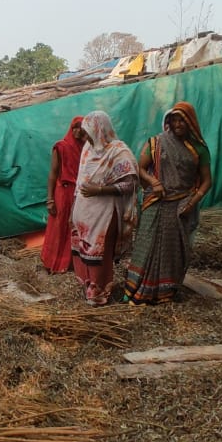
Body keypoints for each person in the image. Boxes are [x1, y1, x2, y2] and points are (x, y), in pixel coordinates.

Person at [123, 101, 214, 305]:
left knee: (174, 252)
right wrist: (154, 182)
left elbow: (207, 180)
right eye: (174, 119)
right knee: (146, 246)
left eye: (182, 120)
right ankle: (136, 288)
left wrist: (193, 201)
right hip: (156, 202)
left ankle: (165, 291)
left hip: (181, 205)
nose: (178, 124)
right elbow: (140, 168)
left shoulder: (199, 149)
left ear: (191, 122)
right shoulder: (156, 142)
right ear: (169, 121)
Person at [70, 110, 138, 306]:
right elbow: (80, 182)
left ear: (100, 130)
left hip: (105, 214)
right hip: (84, 213)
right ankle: (88, 285)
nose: (85, 137)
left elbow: (131, 184)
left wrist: (100, 190)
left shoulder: (118, 152)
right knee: (84, 251)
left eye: (88, 132)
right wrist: (73, 210)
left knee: (99, 252)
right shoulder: (87, 149)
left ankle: (99, 292)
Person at [41, 116, 85, 273]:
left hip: (80, 193)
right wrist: (50, 199)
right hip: (63, 192)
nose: (78, 131)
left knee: (76, 227)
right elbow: (53, 174)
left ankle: (71, 264)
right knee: (59, 226)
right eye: (75, 127)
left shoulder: (87, 149)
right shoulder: (60, 147)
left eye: (81, 127)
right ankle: (53, 263)